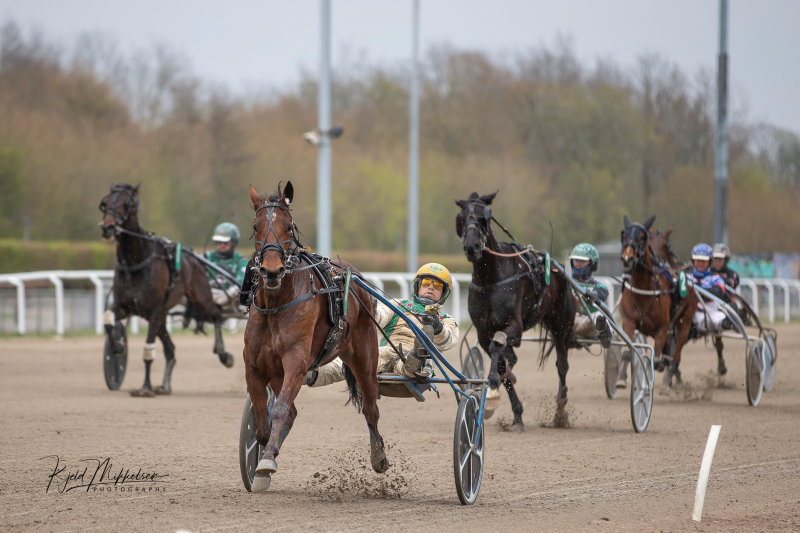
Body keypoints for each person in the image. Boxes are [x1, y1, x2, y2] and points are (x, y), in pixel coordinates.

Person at [306, 263, 459, 387]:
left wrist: (437, 327)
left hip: (419, 358)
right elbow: (378, 318)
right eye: (426, 283)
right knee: (351, 362)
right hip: (386, 352)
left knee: (409, 362)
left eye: (437, 286)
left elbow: (448, 341)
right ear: (418, 286)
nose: (431, 287)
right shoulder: (399, 304)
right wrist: (370, 308)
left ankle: (414, 361)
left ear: (444, 293)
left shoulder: (446, 319)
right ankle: (311, 375)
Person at [568, 244, 626, 387]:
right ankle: (602, 325)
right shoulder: (565, 284)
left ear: (592, 264)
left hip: (588, 324)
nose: (578, 264)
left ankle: (604, 327)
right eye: (576, 260)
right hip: (567, 322)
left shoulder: (599, 287)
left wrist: (591, 296)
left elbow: (602, 293)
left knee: (597, 316)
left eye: (582, 261)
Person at [204, 222, 248, 309]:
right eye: (219, 242)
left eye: (226, 242)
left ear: (234, 242)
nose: (222, 245)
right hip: (206, 298)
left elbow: (243, 280)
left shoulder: (240, 260)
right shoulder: (206, 257)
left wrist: (230, 293)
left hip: (230, 301)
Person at [691, 243, 733, 334]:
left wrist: (695, 291)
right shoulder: (687, 277)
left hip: (708, 313)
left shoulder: (716, 278)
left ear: (709, 261)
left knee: (716, 318)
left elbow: (718, 292)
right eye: (698, 260)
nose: (700, 264)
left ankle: (727, 321)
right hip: (689, 313)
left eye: (704, 261)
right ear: (693, 260)